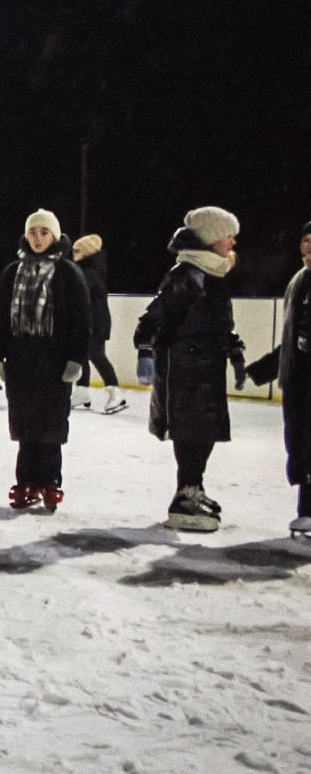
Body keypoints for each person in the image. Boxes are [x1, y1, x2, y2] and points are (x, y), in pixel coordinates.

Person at [134, 207, 245, 532]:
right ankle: (185, 495)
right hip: (184, 373)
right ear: (212, 239)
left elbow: (222, 324)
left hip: (206, 371)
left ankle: (193, 489)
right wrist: (145, 350)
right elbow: (154, 316)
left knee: (204, 435)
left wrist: (234, 351)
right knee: (191, 434)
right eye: (228, 235)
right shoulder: (186, 275)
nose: (233, 241)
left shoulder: (212, 275)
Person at [0, 209, 91, 512]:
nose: (37, 238)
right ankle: (26, 481)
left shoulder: (69, 273)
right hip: (21, 362)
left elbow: (82, 320)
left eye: (44, 233)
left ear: (55, 237)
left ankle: (50, 481)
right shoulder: (12, 273)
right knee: (26, 429)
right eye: (33, 232)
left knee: (51, 429)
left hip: (55, 363)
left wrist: (76, 358)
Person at [247, 219, 311, 536]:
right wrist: (264, 369)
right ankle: (306, 510)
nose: (310, 246)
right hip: (299, 380)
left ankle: (308, 510)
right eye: (306, 240)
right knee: (299, 443)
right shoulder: (299, 281)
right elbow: (293, 339)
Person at [73, 234, 127, 414]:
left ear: (86, 252)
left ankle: (115, 393)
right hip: (90, 321)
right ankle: (81, 392)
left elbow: (80, 296)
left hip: (95, 322)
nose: (73, 253)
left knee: (96, 355)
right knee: (81, 355)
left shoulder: (89, 272)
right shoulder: (89, 269)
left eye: (76, 250)